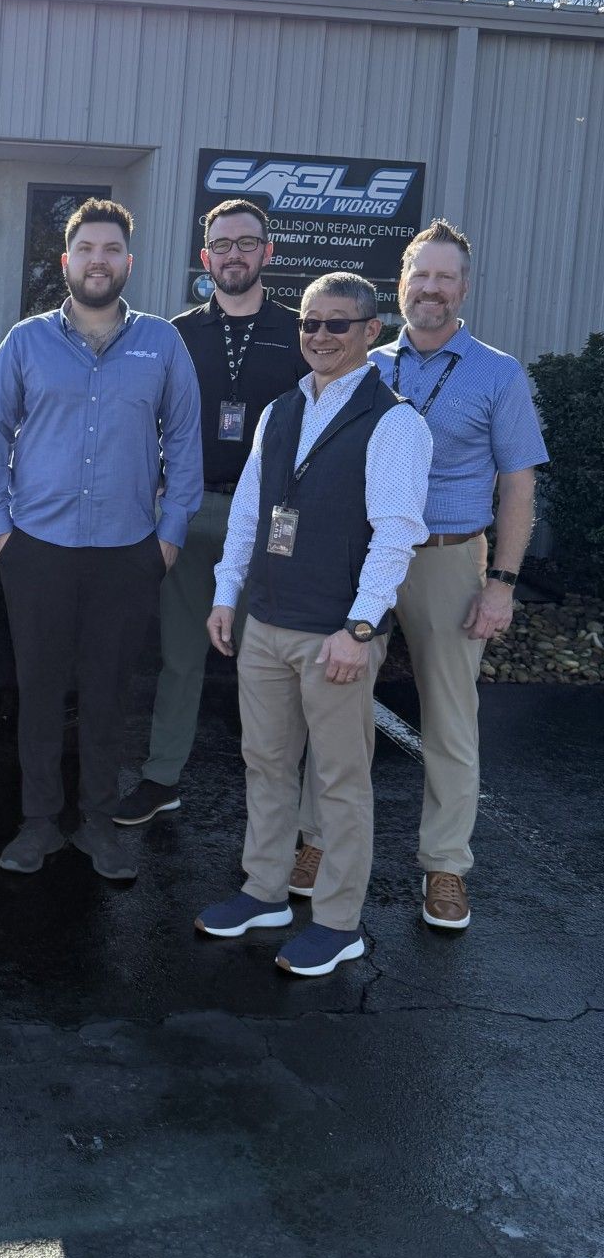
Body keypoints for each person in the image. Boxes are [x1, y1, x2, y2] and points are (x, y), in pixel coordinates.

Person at [292, 220, 548, 932]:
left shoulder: (498, 372)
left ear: (463, 289)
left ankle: (444, 867)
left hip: (446, 557)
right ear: (400, 283)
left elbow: (518, 486)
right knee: (335, 704)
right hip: (368, 558)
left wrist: (502, 582)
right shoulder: (365, 363)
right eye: (419, 275)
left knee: (449, 717)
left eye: (444, 277)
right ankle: (316, 842)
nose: (430, 288)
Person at [196, 272, 431, 976]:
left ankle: (338, 922)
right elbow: (249, 512)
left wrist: (360, 630)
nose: (320, 337)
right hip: (265, 622)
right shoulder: (280, 410)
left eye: (337, 325)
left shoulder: (395, 422)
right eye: (309, 324)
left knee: (339, 781)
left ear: (370, 333)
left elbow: (396, 536)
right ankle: (265, 891)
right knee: (265, 763)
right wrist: (225, 595)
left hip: (334, 633)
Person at [0, 198, 203, 879]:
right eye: (86, 250)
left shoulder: (162, 344)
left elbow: (184, 443)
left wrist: (169, 537)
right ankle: (39, 822)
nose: (98, 261)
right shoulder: (25, 342)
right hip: (36, 547)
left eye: (111, 250)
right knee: (38, 690)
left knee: (108, 691)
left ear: (127, 263)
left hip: (129, 550)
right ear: (65, 261)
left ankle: (97, 822)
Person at [116, 198, 308, 827]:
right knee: (180, 655)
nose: (234, 254)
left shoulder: (301, 332)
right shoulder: (173, 334)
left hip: (276, 516)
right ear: (205, 257)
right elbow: (143, 419)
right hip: (190, 508)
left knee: (269, 660)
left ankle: (273, 793)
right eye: (222, 244)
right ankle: (162, 777)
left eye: (246, 243)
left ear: (267, 253)